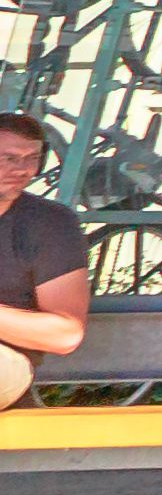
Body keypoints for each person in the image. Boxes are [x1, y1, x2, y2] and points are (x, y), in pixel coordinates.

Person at [0, 113, 88, 406]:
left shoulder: (50, 224)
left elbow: (65, 334)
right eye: (9, 158)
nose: (22, 170)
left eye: (31, 159)